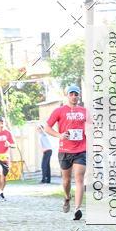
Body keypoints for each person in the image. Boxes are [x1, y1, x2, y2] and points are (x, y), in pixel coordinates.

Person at [45, 84, 87, 221]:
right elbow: (47, 127)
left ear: (79, 95)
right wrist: (59, 135)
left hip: (81, 150)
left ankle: (78, 209)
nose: (74, 97)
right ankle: (67, 197)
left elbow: (93, 126)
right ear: (67, 95)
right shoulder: (59, 111)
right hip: (65, 151)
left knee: (79, 178)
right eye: (71, 94)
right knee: (66, 180)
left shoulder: (84, 111)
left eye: (76, 94)